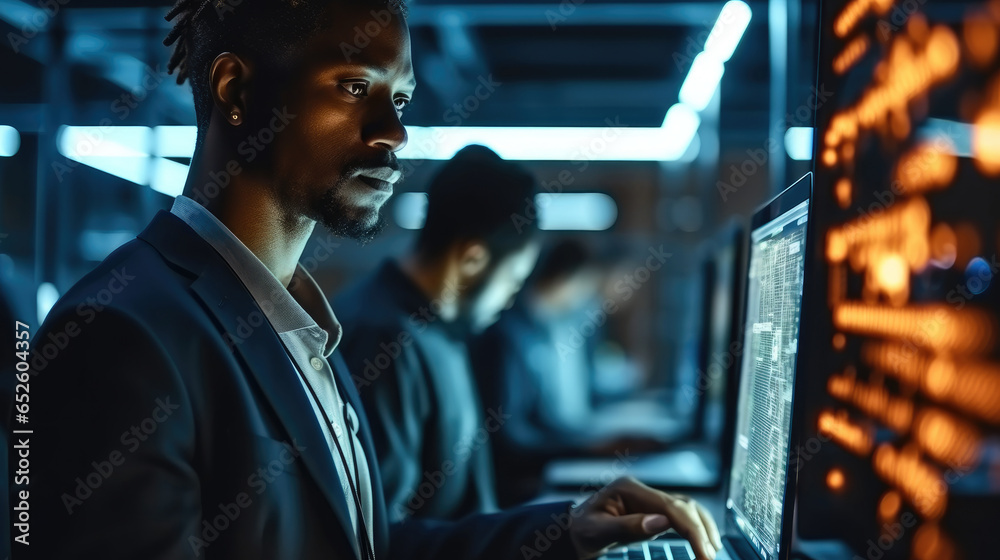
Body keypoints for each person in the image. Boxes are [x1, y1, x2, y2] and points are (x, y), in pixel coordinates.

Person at [25, 1, 723, 559]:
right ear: (235, 89)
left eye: (402, 98)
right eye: (355, 86)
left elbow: (369, 546)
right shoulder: (119, 335)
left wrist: (565, 531)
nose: (394, 132)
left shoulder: (303, 329)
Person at [336, 144, 539, 522]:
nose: (511, 299)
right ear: (473, 258)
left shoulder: (437, 329)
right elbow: (381, 539)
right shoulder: (384, 339)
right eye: (513, 280)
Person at [473, 240, 663, 505]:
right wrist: (588, 448)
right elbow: (511, 441)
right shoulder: (509, 336)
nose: (585, 298)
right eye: (583, 287)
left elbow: (547, 418)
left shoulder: (542, 329)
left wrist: (591, 444)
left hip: (542, 461)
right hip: (518, 485)